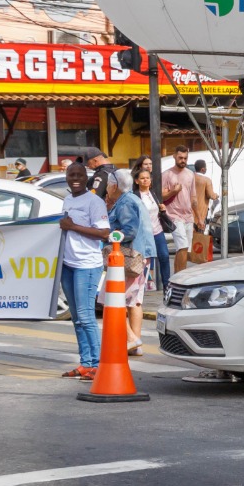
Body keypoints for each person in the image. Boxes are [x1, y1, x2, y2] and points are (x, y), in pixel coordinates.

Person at [57, 162, 109, 379]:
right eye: (71, 175)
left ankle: (97, 365)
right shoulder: (68, 199)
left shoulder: (94, 202)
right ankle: (85, 362)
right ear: (67, 177)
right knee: (77, 318)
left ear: (86, 177)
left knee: (87, 317)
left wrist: (73, 227)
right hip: (68, 265)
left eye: (79, 175)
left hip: (87, 265)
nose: (75, 178)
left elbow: (104, 232)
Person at [106, 169, 154, 355]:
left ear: (116, 185)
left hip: (129, 257)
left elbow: (129, 231)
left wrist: (109, 236)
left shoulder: (125, 202)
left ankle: (132, 339)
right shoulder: (132, 199)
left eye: (109, 184)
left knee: (113, 299)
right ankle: (136, 345)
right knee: (135, 301)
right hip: (141, 255)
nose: (107, 187)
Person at [161, 147, 196, 274]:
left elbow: (193, 197)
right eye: (180, 157)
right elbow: (161, 196)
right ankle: (181, 276)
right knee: (183, 246)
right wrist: (173, 192)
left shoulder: (190, 174)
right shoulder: (166, 174)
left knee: (184, 249)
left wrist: (198, 217)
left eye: (185, 158)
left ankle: (178, 275)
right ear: (174, 156)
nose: (183, 160)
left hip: (188, 216)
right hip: (174, 215)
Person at [135, 167, 169, 290]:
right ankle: (141, 286)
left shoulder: (153, 193)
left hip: (157, 230)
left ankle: (166, 285)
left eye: (147, 178)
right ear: (137, 181)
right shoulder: (135, 196)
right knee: (144, 260)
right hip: (144, 233)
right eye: (142, 178)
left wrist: (163, 209)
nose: (145, 180)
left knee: (164, 257)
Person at [192, 159, 218, 241]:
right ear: (203, 169)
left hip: (189, 211)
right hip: (201, 211)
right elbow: (211, 195)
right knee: (199, 235)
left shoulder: (190, 178)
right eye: (205, 167)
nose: (206, 169)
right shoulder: (206, 180)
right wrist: (216, 195)